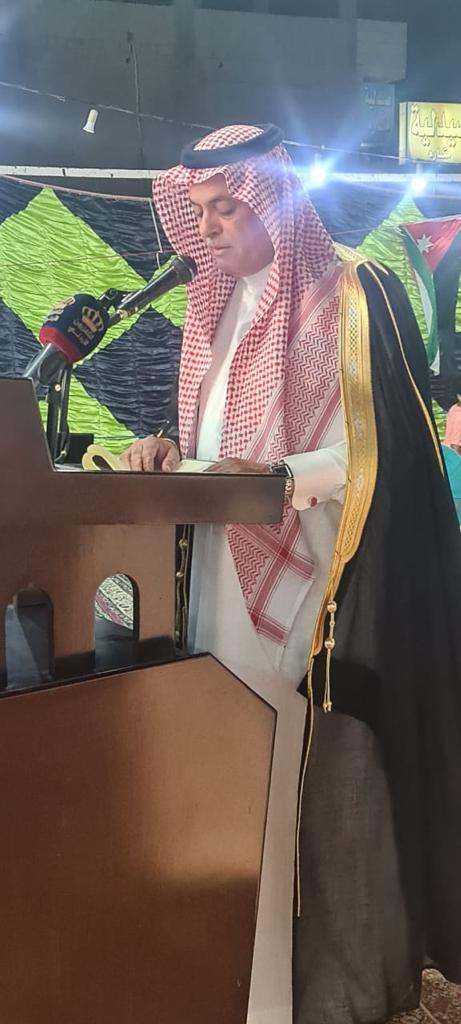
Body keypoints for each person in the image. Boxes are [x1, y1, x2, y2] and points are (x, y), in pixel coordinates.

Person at [121, 124, 461, 1024]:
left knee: (292, 797)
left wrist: (273, 479)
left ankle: (287, 998)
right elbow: (213, 442)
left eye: (226, 208)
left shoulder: (354, 290)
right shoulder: (210, 304)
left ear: (273, 201)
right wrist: (165, 452)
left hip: (317, 587)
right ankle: (223, 983)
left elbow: (379, 453)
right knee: (225, 788)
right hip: (215, 587)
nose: (209, 229)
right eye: (198, 211)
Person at [444, 380, 461, 455]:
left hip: (447, 452)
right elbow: (455, 446)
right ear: (459, 396)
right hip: (454, 455)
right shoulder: (459, 417)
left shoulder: (454, 407)